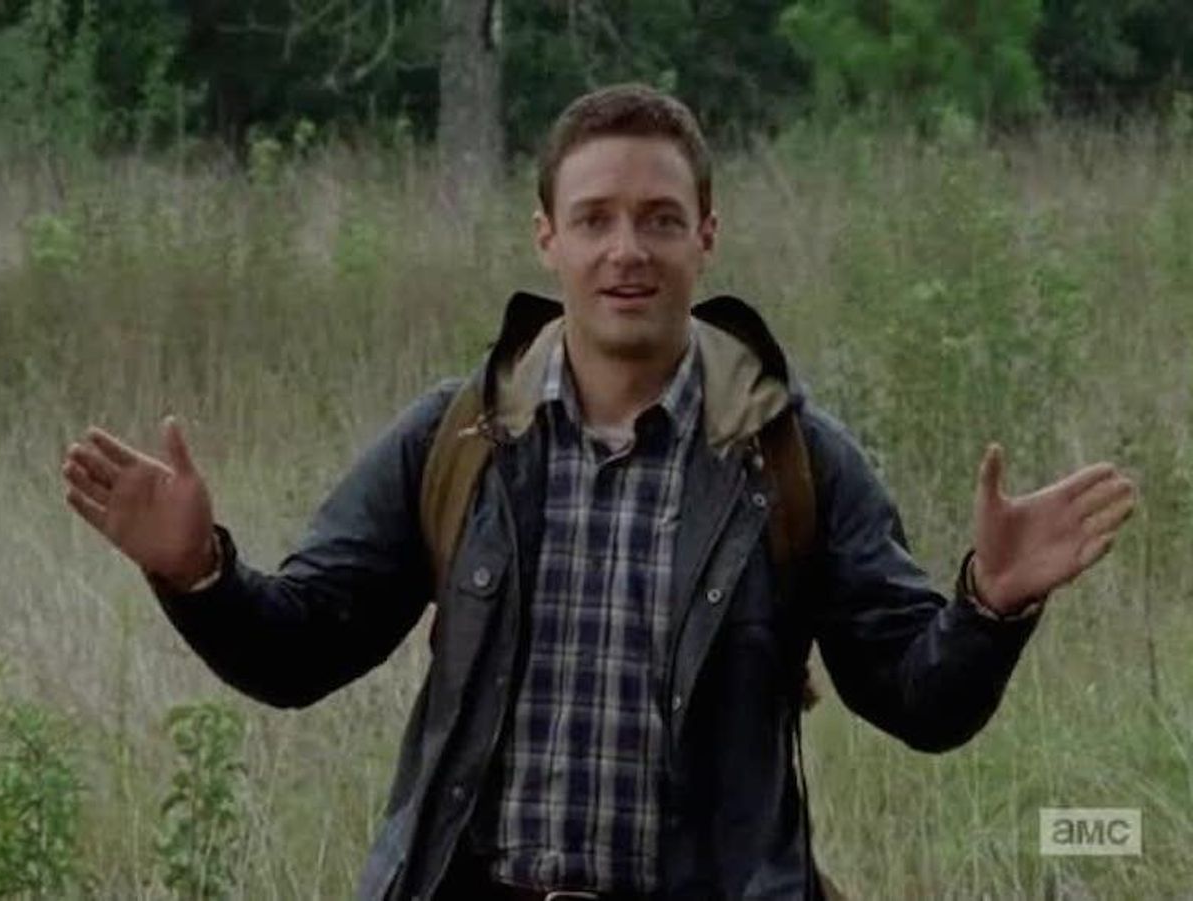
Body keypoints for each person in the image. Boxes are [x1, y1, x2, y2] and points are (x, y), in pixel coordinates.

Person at [60, 84, 1137, 901]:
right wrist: (198, 573)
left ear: (706, 235)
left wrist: (990, 605)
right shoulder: (456, 442)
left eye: (660, 218)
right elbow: (300, 651)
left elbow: (917, 701)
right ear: (548, 238)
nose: (629, 250)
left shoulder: (794, 461)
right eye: (595, 219)